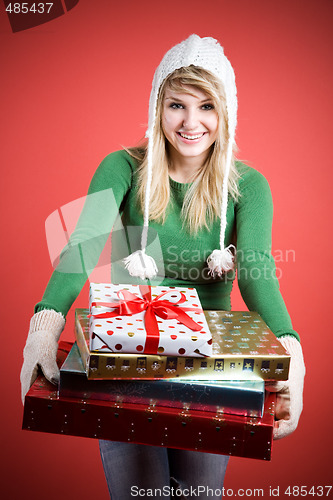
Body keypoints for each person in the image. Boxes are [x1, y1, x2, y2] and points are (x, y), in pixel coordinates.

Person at [20, 35, 305, 499]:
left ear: (226, 112)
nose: (191, 123)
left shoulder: (249, 186)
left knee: (199, 493)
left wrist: (292, 358)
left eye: (206, 106)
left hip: (214, 366)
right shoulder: (121, 167)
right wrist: (44, 325)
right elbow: (82, 245)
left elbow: (255, 270)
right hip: (126, 354)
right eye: (177, 104)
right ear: (158, 106)